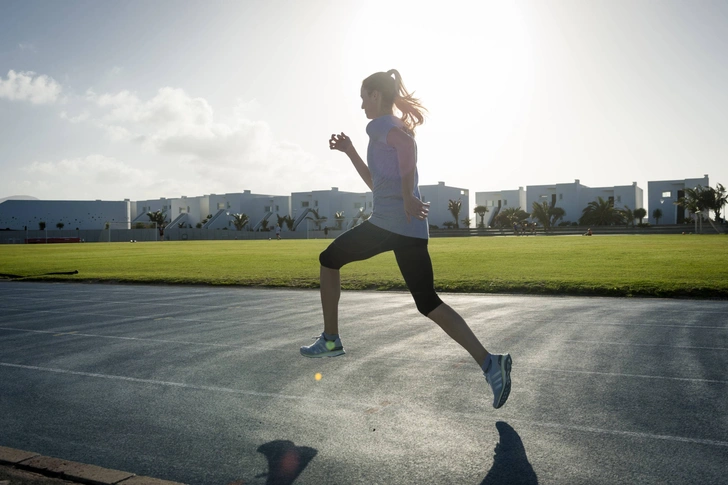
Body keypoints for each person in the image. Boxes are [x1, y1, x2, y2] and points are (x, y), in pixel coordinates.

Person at [299, 69, 512, 409]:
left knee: (328, 259)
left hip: (390, 224)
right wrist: (352, 152)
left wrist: (407, 195)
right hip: (410, 229)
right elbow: (377, 184)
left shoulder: (381, 124)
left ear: (376, 96)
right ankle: (491, 363)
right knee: (428, 302)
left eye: (363, 97)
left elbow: (407, 147)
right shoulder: (388, 128)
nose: (361, 105)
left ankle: (330, 339)